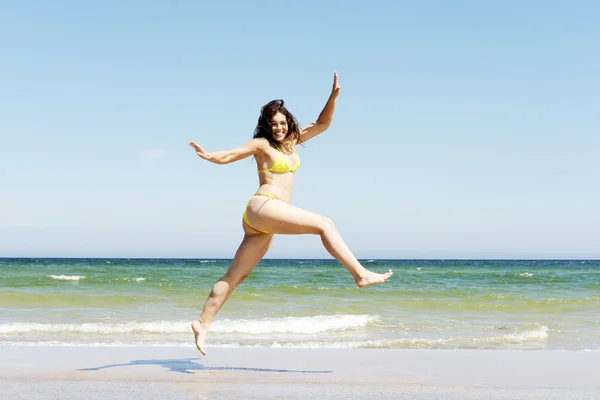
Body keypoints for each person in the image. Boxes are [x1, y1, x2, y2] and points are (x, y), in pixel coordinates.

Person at [188, 72, 393, 355]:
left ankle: (202, 323)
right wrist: (209, 155)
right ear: (266, 126)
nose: (279, 128)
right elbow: (230, 155)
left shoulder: (292, 142)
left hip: (264, 222)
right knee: (325, 223)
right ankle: (360, 274)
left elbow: (323, 123)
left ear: (288, 123)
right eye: (274, 125)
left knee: (235, 276)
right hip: (263, 205)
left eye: (283, 123)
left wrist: (332, 97)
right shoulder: (261, 145)